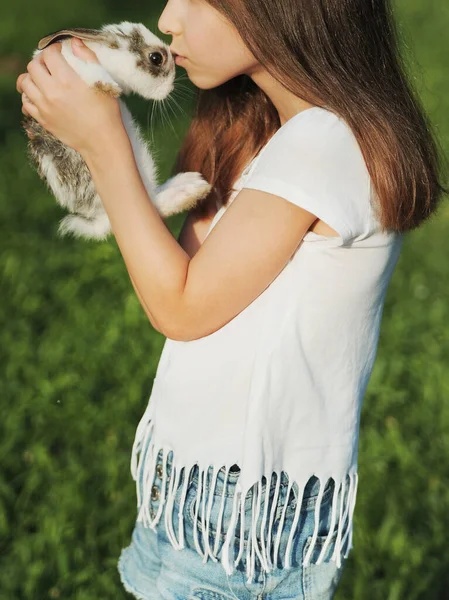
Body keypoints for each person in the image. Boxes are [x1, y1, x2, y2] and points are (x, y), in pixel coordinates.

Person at [16, 0, 447, 598]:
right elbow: (183, 275)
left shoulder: (324, 142)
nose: (168, 18)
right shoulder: (269, 129)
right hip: (193, 495)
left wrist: (104, 144)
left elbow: (180, 307)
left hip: (240, 522)